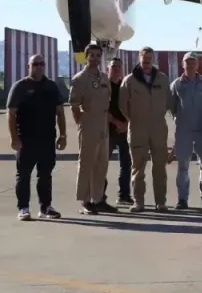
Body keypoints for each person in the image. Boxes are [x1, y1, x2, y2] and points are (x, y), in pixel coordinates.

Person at [6, 53, 66, 221]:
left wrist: (63, 135)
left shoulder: (51, 86)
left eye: (41, 64)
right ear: (29, 66)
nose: (39, 67)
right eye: (35, 64)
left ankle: (45, 207)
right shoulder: (20, 86)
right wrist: (14, 138)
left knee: (45, 174)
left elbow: (60, 112)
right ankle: (23, 208)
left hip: (47, 138)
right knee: (24, 175)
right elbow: (11, 113)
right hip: (26, 139)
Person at [119, 47, 172, 213]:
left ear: (153, 59)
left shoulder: (162, 79)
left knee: (160, 168)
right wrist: (135, 119)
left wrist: (156, 116)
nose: (147, 60)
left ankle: (160, 202)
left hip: (158, 128)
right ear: (139, 58)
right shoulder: (129, 80)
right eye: (144, 57)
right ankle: (138, 202)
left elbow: (168, 101)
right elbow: (122, 105)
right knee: (138, 168)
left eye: (150, 57)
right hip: (137, 128)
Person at [68, 43, 114, 215]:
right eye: (92, 55)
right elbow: (74, 105)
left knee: (102, 164)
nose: (95, 59)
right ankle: (85, 200)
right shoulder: (80, 79)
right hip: (89, 125)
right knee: (87, 163)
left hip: (103, 126)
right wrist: (81, 122)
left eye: (98, 55)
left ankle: (98, 199)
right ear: (86, 57)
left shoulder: (104, 78)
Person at [170, 51, 202, 209]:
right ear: (183, 64)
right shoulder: (176, 84)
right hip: (184, 132)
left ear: (198, 65)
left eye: (193, 62)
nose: (190, 64)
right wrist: (180, 121)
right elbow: (172, 107)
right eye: (187, 62)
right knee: (183, 166)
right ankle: (182, 199)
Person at [104, 57, 133, 207]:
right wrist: (117, 123)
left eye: (118, 67)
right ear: (108, 69)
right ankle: (100, 195)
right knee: (103, 164)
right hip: (107, 131)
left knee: (126, 164)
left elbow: (131, 106)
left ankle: (124, 195)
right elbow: (103, 110)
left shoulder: (124, 86)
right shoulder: (104, 86)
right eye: (113, 66)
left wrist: (127, 124)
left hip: (124, 131)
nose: (116, 69)